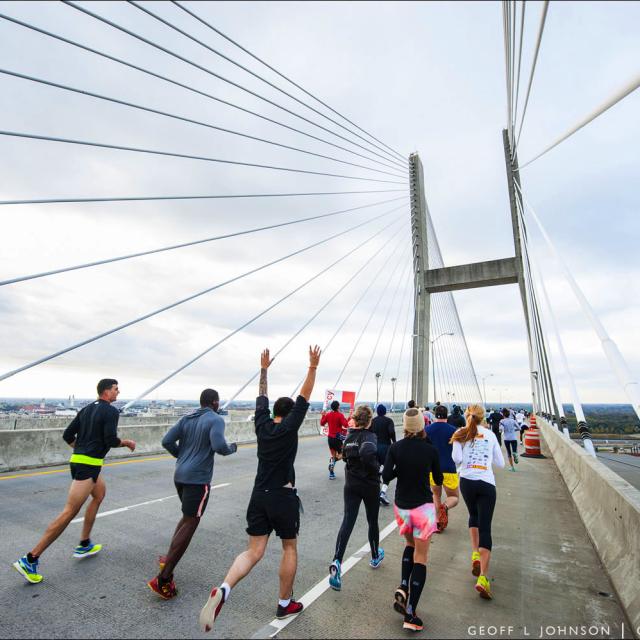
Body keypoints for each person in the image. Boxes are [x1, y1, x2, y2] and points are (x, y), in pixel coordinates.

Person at [199, 346, 321, 633]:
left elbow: (262, 397)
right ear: (290, 414)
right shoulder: (290, 428)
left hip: (259, 495)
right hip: (283, 496)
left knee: (253, 551)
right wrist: (312, 368)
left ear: (272, 412)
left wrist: (264, 368)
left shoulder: (261, 425)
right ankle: (284, 602)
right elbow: (305, 396)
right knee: (289, 547)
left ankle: (225, 588)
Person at [13, 379, 136, 584]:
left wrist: (81, 450)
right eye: (116, 389)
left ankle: (84, 542)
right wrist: (126, 442)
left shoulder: (86, 409)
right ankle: (30, 558)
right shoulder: (111, 412)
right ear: (106, 391)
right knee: (69, 511)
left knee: (99, 495)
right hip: (88, 466)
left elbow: (67, 435)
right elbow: (110, 440)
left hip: (81, 462)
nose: (118, 392)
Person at [147, 388, 237, 599]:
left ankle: (168, 558)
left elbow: (166, 441)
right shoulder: (215, 419)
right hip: (198, 480)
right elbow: (219, 446)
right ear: (215, 402)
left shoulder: (187, 417)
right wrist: (232, 447)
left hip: (180, 476)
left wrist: (183, 457)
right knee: (191, 523)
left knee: (187, 518)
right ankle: (164, 579)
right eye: (218, 402)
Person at [382, 408, 443, 632]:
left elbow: (386, 476)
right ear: (422, 426)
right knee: (422, 557)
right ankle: (411, 613)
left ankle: (403, 585)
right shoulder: (430, 450)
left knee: (409, 545)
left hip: (402, 508)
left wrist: (401, 468)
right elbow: (437, 478)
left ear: (406, 426)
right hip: (423, 508)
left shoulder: (395, 448)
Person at [451, 404, 505, 600]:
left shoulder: (460, 433)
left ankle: (475, 553)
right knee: (486, 527)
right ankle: (483, 577)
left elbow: (456, 459)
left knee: (473, 515)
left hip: (466, 481)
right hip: (486, 483)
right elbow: (501, 463)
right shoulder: (490, 435)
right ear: (483, 418)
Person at [328, 405, 384, 591]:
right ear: (369, 421)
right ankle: (375, 556)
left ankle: (337, 560)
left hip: (351, 485)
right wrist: (376, 469)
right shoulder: (369, 437)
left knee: (348, 521)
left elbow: (344, 456)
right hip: (369, 485)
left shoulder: (349, 436)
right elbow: (367, 453)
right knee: (372, 521)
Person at [426, 405, 459, 532]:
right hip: (449, 468)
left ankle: (438, 523)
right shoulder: (453, 430)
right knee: (454, 497)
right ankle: (444, 507)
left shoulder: (427, 429)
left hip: (432, 469)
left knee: (436, 495)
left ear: (434, 415)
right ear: (447, 415)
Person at [371, 404, 396, 506]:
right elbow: (391, 432)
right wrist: (394, 442)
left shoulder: (373, 421)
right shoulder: (389, 421)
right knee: (387, 470)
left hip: (374, 446)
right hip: (386, 448)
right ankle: (383, 492)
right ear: (385, 412)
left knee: (376, 470)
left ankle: (375, 492)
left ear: (377, 411)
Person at [320, 400, 349, 480]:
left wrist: (323, 415)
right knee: (343, 454)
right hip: (337, 438)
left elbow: (322, 423)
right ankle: (333, 462)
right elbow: (346, 425)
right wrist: (349, 417)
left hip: (330, 438)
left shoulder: (328, 415)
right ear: (338, 407)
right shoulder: (340, 415)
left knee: (333, 455)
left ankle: (331, 474)